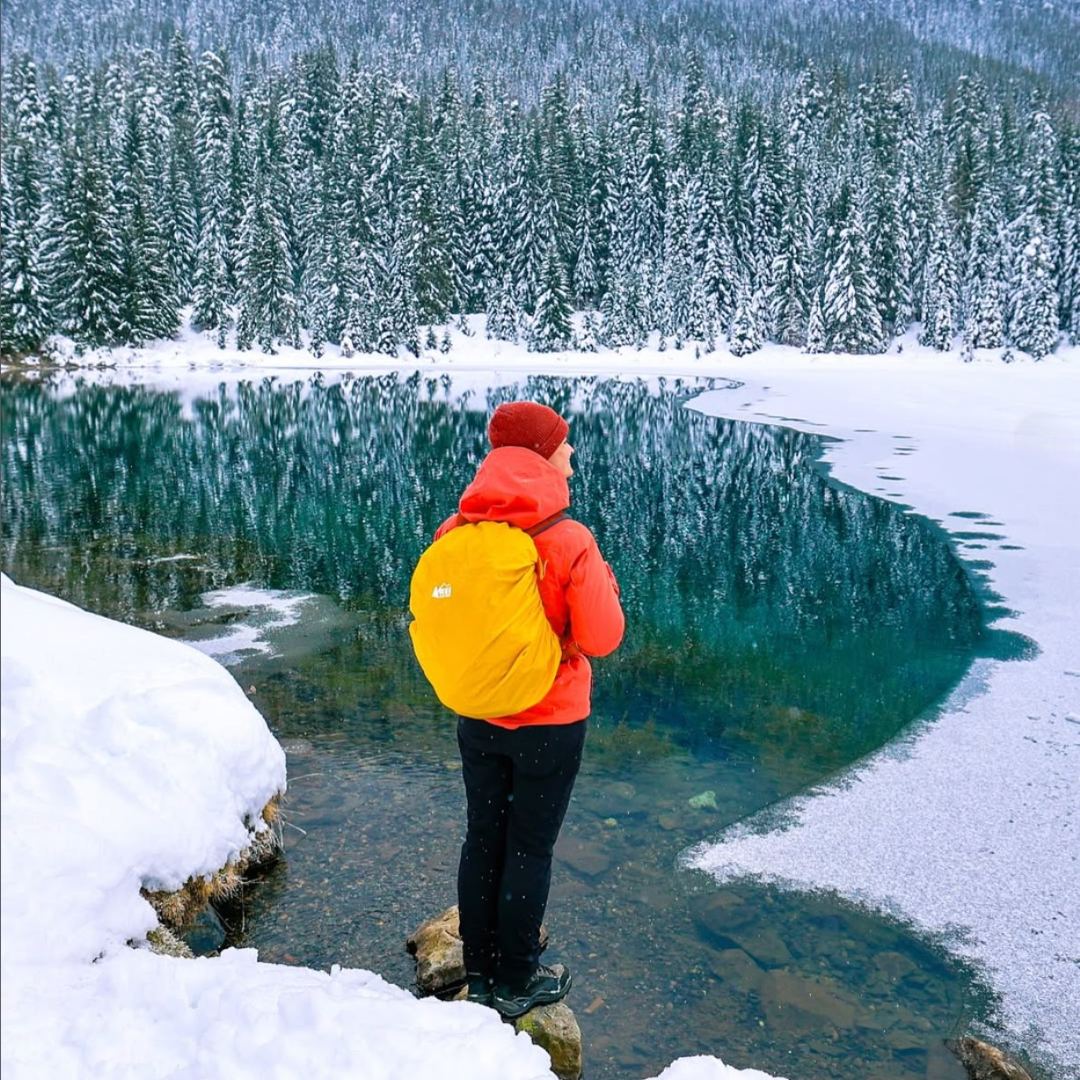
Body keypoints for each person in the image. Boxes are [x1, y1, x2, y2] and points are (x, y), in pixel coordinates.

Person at [433, 400, 624, 1018]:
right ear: (542, 454)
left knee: (483, 839)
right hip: (549, 720)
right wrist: (605, 583)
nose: (572, 455)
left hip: (479, 714)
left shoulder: (455, 532)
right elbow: (602, 637)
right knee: (528, 848)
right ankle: (517, 980)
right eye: (565, 445)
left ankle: (480, 972)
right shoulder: (569, 538)